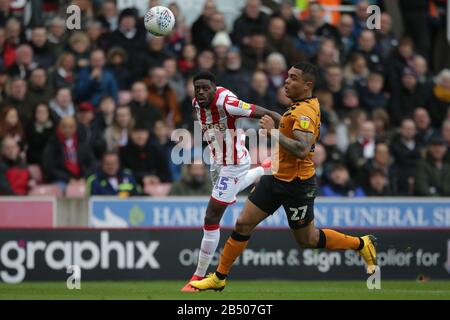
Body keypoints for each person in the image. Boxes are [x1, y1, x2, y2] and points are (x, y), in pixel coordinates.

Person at [190, 63, 377, 292]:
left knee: (307, 240)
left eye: (293, 78)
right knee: (243, 223)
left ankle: (361, 244)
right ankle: (219, 277)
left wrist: (272, 132)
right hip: (275, 176)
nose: (286, 81)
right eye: (287, 77)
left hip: (298, 184)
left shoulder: (305, 112)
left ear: (307, 85)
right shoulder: (296, 106)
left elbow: (302, 148)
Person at [180, 71, 280, 292]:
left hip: (234, 164)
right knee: (227, 196)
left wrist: (284, 123)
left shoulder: (229, 103)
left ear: (215, 88)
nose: (202, 92)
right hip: (217, 161)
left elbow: (263, 112)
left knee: (211, 216)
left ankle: (197, 277)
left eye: (206, 88)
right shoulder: (197, 103)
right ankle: (263, 170)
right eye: (198, 88)